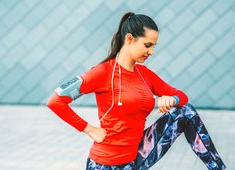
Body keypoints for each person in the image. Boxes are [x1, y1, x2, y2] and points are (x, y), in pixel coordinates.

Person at [47, 12, 226, 170]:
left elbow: (182, 97)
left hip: (137, 156)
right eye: (148, 45)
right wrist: (89, 129)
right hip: (106, 164)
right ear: (130, 39)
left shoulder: (145, 75)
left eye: (154, 46)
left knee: (185, 112)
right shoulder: (102, 72)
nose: (151, 52)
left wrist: (171, 99)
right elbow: (55, 101)